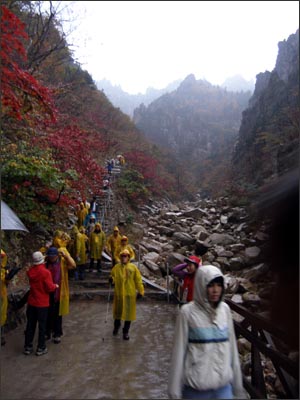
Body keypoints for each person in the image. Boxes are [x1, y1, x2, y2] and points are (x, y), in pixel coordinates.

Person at [168, 264, 246, 399]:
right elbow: (179, 352)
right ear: (201, 286)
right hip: (196, 390)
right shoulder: (187, 312)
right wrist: (174, 389)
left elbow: (232, 349)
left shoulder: (225, 310)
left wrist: (238, 386)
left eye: (218, 285)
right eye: (210, 285)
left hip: (223, 388)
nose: (215, 290)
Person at [23, 251, 58, 356]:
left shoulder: (30, 271)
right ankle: (41, 347)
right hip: (42, 303)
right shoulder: (45, 272)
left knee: (30, 325)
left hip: (32, 301)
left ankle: (28, 347)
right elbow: (49, 288)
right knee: (42, 326)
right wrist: (55, 286)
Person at [109, 249, 144, 340]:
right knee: (118, 313)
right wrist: (111, 280)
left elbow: (138, 280)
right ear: (120, 257)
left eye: (126, 256)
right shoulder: (116, 267)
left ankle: (126, 332)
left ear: (128, 257)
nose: (124, 257)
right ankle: (116, 327)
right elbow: (112, 276)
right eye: (122, 256)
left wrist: (141, 291)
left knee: (128, 314)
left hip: (130, 295)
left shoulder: (133, 268)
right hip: (119, 295)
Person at [45, 243, 76, 344]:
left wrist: (66, 256)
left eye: (53, 256)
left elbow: (73, 265)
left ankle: (57, 334)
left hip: (60, 291)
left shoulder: (63, 262)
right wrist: (45, 248)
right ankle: (47, 332)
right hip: (48, 291)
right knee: (48, 313)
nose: (52, 258)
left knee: (58, 314)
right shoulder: (46, 263)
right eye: (50, 256)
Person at [1, 249, 9, 346]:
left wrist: (8, 278)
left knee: (2, 315)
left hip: (2, 295)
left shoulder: (3, 270)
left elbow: (6, 283)